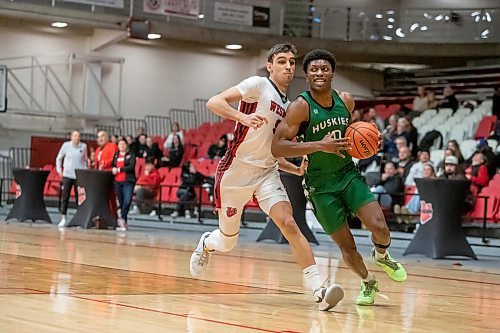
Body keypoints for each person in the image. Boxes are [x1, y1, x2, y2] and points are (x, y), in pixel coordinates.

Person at [189, 43, 344, 312]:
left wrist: (293, 169)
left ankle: (318, 289)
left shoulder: (289, 105)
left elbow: (271, 150)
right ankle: (207, 243)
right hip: (236, 171)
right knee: (228, 241)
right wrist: (242, 117)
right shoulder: (257, 84)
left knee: (289, 223)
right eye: (282, 61)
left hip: (267, 173)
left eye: (291, 62)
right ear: (270, 65)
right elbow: (214, 102)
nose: (288, 66)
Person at [272, 49, 407, 307]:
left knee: (379, 226)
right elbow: (278, 146)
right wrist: (318, 146)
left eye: (324, 68)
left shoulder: (345, 100)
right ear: (307, 75)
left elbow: (353, 134)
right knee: (348, 247)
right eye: (313, 69)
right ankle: (368, 283)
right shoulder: (300, 106)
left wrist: (371, 140)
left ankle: (381, 255)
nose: (319, 73)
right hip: (320, 186)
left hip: (348, 175)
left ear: (332, 72)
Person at [55, 130, 88, 228]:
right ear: (71, 137)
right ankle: (63, 217)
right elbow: (59, 158)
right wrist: (59, 169)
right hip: (68, 174)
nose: (77, 137)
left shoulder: (84, 146)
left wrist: (85, 171)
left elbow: (85, 160)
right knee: (65, 196)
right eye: (75, 136)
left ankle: (79, 218)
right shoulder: (66, 145)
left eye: (78, 136)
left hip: (79, 174)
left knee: (80, 197)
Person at [112, 139, 136, 230]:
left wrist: (119, 170)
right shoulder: (116, 155)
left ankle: (121, 216)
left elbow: (131, 166)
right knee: (121, 202)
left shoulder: (131, 154)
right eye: (120, 144)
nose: (122, 146)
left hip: (128, 181)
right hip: (118, 181)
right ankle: (123, 221)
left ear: (126, 145)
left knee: (127, 201)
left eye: (123, 144)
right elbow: (113, 165)